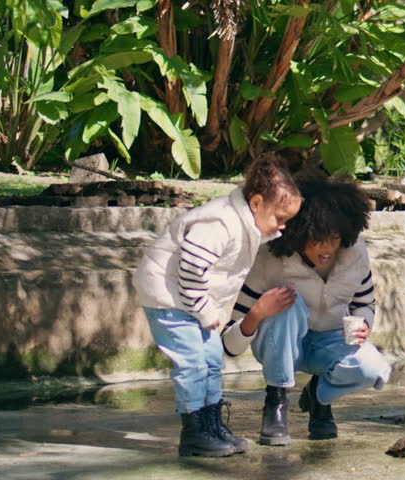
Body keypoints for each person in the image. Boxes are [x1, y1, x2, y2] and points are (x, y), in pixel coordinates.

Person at [133, 157, 302, 457]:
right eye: (279, 217)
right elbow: (191, 271)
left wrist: (210, 311)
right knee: (193, 365)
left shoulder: (247, 225)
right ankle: (194, 432)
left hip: (196, 303)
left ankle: (211, 425)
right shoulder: (219, 221)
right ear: (256, 202)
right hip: (169, 297)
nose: (283, 226)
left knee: (212, 361)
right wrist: (206, 312)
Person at [221, 176, 391, 446]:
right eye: (317, 239)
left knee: (374, 370)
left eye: (334, 239)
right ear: (299, 234)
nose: (326, 249)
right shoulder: (270, 258)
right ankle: (276, 399)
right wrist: (256, 314)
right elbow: (227, 345)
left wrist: (364, 324)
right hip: (283, 345)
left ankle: (319, 397)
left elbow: (364, 303)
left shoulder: (355, 251)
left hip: (331, 343)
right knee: (285, 304)